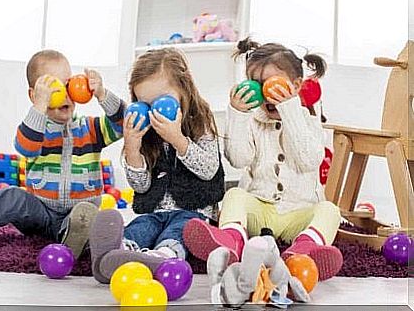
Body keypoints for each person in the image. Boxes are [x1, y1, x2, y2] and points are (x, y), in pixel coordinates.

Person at [183, 38, 343, 281]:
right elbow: (238, 158)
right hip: (260, 210)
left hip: (298, 214)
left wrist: (289, 109)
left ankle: (304, 251)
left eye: (272, 83)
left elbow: (307, 160)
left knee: (330, 210)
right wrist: (237, 114)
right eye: (255, 84)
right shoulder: (252, 118)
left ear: (297, 85)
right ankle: (231, 242)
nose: (264, 92)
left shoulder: (307, 119)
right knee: (234, 195)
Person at [0, 50, 125, 259]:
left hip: (76, 214)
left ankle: (74, 238)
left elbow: (123, 124)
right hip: (39, 210)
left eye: (68, 84)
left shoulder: (91, 128)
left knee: (88, 216)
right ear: (34, 95)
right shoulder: (37, 129)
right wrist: (40, 106)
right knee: (14, 196)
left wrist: (102, 94)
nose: (64, 94)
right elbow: (25, 147)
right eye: (53, 88)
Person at [88, 48, 225, 283]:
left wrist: (178, 140)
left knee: (180, 230)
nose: (153, 113)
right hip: (155, 211)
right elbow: (141, 187)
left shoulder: (200, 121)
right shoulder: (144, 131)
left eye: (162, 102)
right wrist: (132, 148)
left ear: (184, 89)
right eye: (144, 104)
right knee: (142, 226)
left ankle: (163, 256)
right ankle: (116, 252)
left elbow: (209, 169)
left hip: (194, 211)